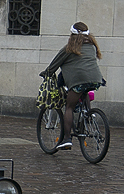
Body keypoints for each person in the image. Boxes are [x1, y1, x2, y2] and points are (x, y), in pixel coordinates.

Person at [41, 22, 105, 150]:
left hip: (78, 82)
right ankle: (87, 114)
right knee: (84, 91)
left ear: (72, 34)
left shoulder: (69, 49)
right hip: (96, 79)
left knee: (69, 107)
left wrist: (46, 73)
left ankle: (67, 139)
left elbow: (54, 64)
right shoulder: (92, 46)